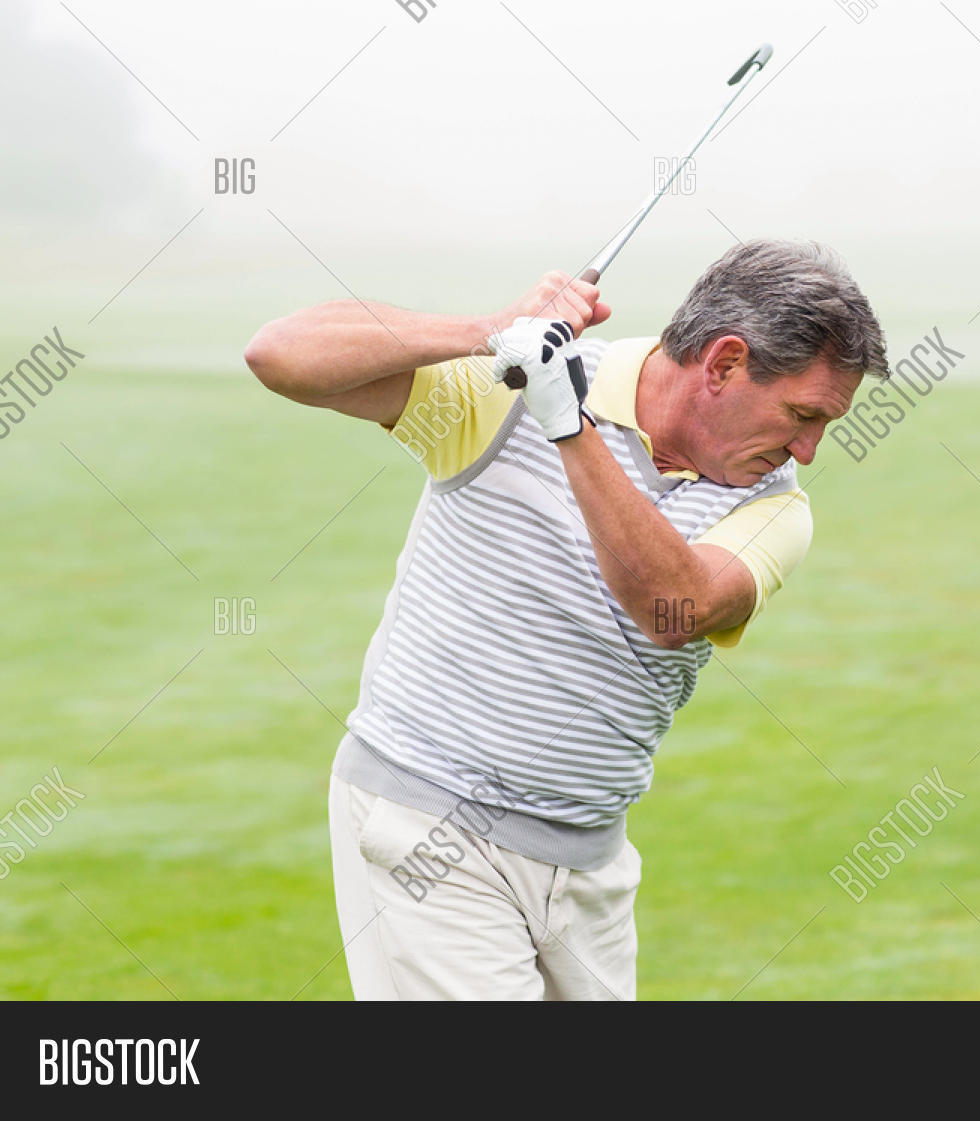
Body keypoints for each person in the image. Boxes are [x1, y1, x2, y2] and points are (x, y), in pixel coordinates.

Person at [244, 239, 889, 999]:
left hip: (589, 864)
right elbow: (279, 355)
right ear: (723, 363)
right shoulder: (510, 388)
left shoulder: (775, 507)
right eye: (803, 414)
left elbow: (672, 609)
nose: (808, 450)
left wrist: (566, 425)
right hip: (427, 824)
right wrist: (488, 330)